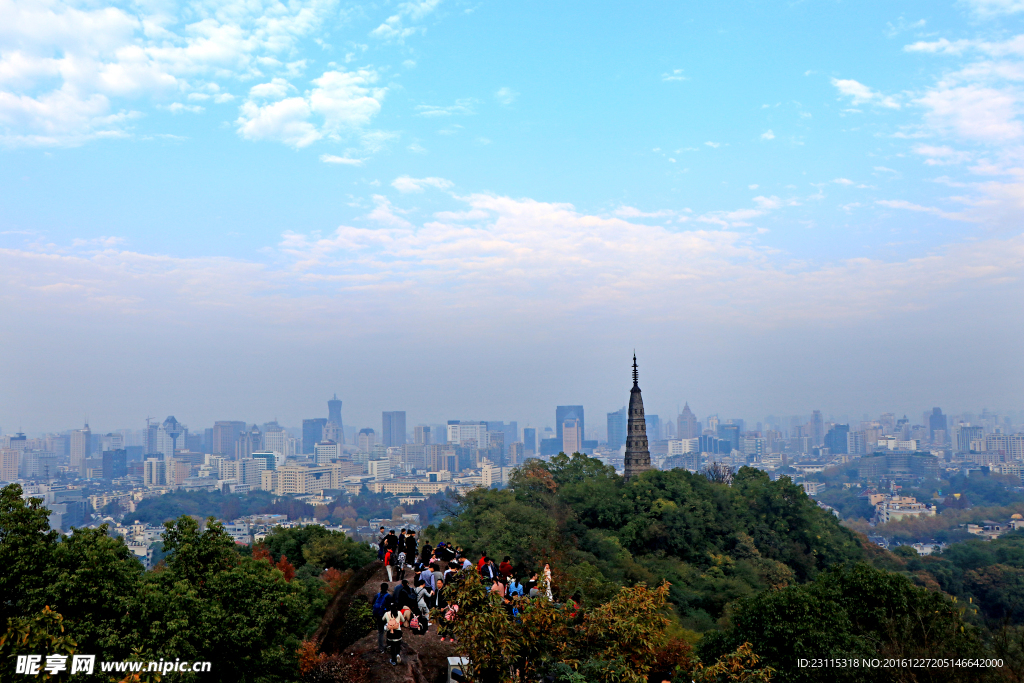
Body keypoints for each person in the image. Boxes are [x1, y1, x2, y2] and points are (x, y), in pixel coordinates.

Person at [372, 582, 394, 653]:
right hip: (386, 615)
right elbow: (390, 607)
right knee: (389, 629)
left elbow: (373, 604)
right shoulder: (389, 596)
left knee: (380, 632)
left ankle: (381, 647)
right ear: (387, 588)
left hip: (378, 615)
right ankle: (388, 644)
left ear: (380, 588)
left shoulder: (376, 596)